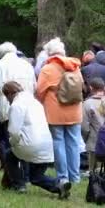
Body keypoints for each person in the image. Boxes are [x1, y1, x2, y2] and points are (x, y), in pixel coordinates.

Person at [3, 81, 72, 198]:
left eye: (6, 97)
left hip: (30, 145)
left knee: (10, 155)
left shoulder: (16, 105)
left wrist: (12, 143)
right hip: (46, 144)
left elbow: (14, 132)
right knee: (36, 177)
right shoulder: (36, 103)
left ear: (9, 94)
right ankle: (60, 184)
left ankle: (19, 185)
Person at [37, 37, 83, 184]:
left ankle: (63, 177)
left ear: (50, 53)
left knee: (58, 142)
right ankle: (75, 177)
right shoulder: (75, 66)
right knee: (74, 143)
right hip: (75, 110)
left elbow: (39, 91)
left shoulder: (47, 69)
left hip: (55, 111)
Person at [82, 77, 105, 172]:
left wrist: (85, 138)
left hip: (93, 141)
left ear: (91, 88)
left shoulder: (87, 104)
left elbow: (84, 127)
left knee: (94, 171)